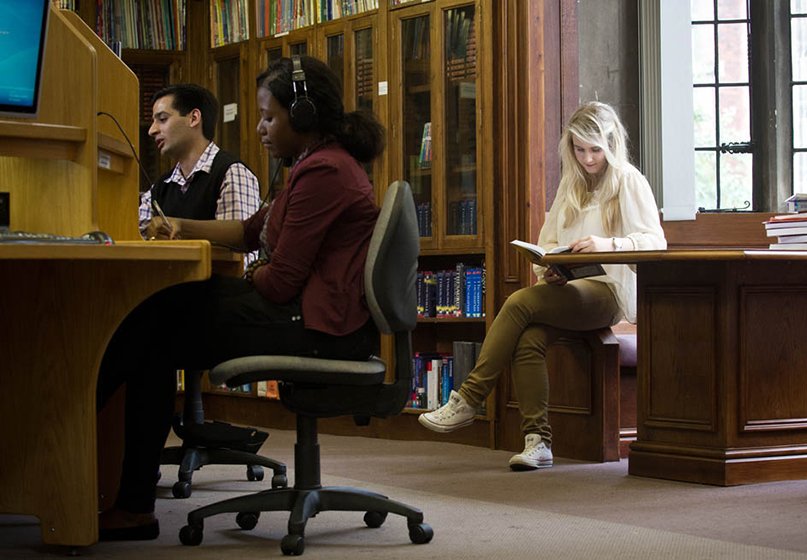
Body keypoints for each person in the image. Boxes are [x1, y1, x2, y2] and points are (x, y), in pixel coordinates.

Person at [96, 55, 386, 541]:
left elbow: (278, 283)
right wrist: (180, 225)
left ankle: (119, 495)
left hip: (318, 328)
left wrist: (251, 275)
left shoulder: (325, 173)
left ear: (305, 116)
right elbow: (250, 231)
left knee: (149, 326)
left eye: (269, 117)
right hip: (310, 316)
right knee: (153, 324)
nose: (259, 128)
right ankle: (124, 497)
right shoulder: (311, 166)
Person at [418, 101, 667, 470]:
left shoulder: (628, 180)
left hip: (609, 292)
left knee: (519, 303)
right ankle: (538, 442)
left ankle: (469, 398)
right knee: (529, 338)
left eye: (595, 150)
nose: (587, 159)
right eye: (579, 149)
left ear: (612, 146)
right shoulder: (571, 184)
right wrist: (548, 267)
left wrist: (608, 244)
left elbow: (655, 243)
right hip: (568, 289)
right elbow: (548, 241)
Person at [139, 83, 260, 239]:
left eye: (162, 119)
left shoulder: (232, 173)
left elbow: (240, 256)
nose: (151, 130)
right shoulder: (161, 187)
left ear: (194, 118)